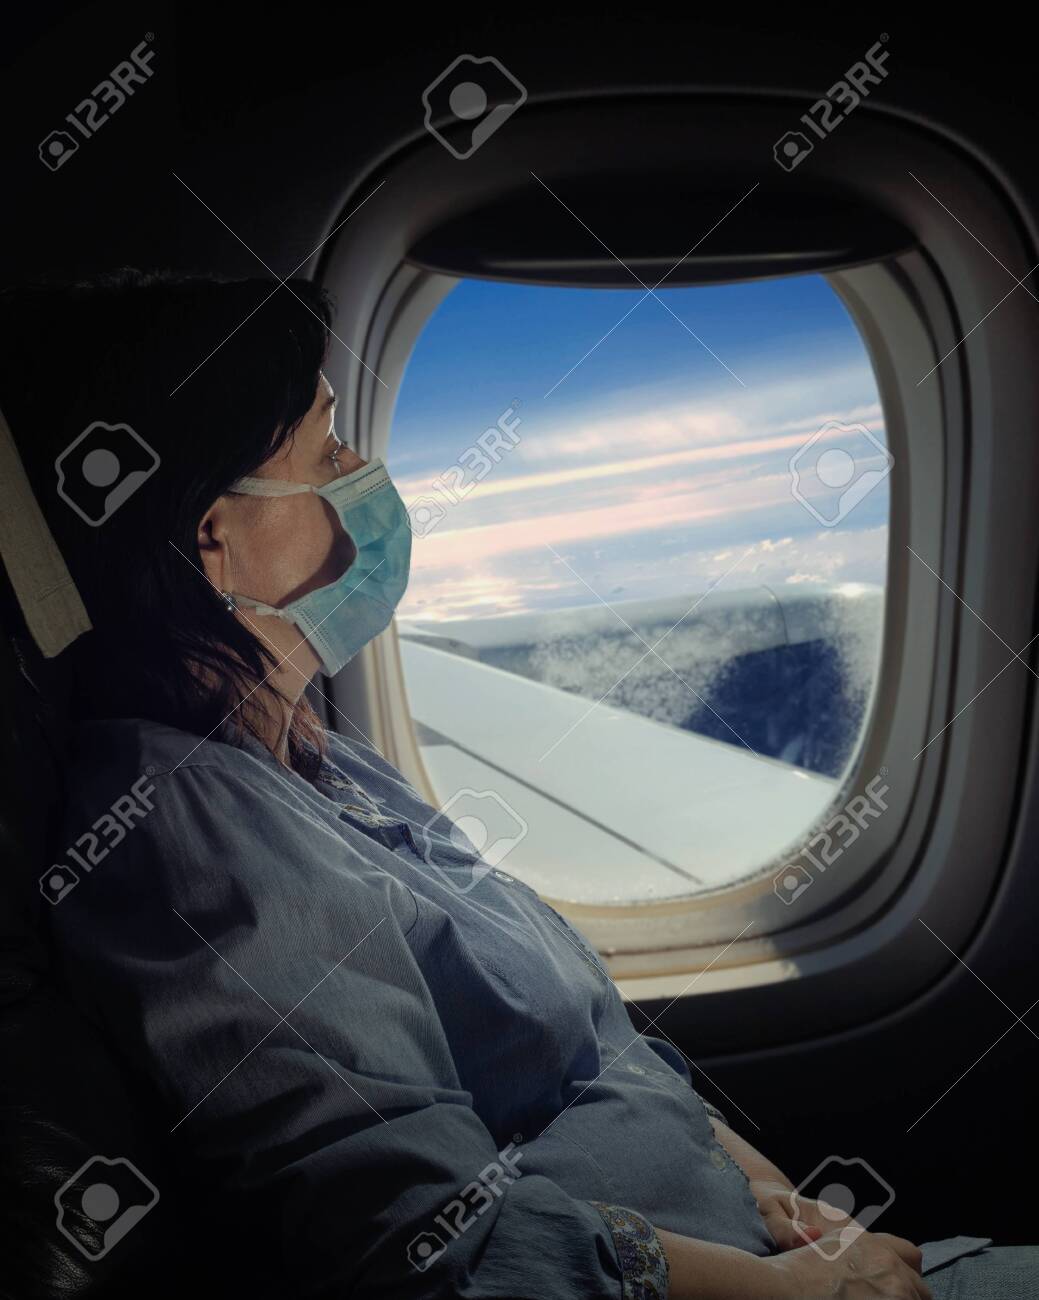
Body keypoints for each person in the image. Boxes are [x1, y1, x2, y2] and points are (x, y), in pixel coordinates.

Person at [1, 268, 1032, 1298]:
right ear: (214, 538)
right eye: (325, 446)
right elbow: (432, 1246)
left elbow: (590, 1058)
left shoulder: (318, 760)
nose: (362, 472)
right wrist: (811, 1294)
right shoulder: (182, 820)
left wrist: (777, 1207)